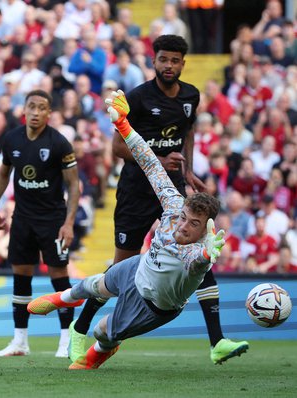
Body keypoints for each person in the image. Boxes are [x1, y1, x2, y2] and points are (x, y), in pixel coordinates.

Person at [27, 89, 243, 370]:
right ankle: (64, 299)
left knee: (104, 332)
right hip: (139, 268)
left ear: (204, 230)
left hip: (153, 305)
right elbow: (149, 162)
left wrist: (206, 255)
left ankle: (99, 352)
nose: (184, 225)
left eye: (194, 224)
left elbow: (196, 262)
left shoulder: (198, 251)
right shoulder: (174, 204)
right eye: (185, 217)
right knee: (95, 284)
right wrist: (123, 125)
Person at [70, 34, 248, 366]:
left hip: (173, 191)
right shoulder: (138, 97)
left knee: (201, 257)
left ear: (183, 63)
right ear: (154, 61)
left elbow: (188, 131)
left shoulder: (191, 96)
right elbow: (119, 148)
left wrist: (189, 170)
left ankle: (218, 340)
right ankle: (81, 329)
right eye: (163, 59)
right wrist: (158, 160)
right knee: (120, 266)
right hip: (138, 189)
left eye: (175, 60)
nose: (168, 65)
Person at [0, 89, 81, 358]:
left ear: (49, 113)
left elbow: (74, 185)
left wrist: (69, 223)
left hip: (52, 219)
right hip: (23, 219)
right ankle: (20, 342)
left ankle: (67, 341)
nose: (36, 112)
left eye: (42, 108)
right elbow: (4, 173)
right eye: (32, 107)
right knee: (21, 277)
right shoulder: (12, 139)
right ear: (24, 110)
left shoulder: (59, 143)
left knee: (59, 279)